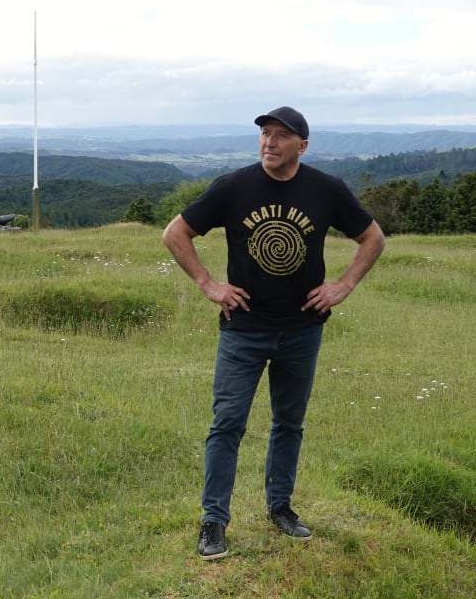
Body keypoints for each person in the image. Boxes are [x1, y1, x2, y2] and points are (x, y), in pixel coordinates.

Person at [162, 106, 385, 561]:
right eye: (265, 133)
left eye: (282, 135)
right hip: (244, 328)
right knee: (227, 424)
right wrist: (208, 284)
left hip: (302, 329)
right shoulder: (234, 187)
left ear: (303, 146)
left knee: (289, 423)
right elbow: (175, 233)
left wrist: (343, 285)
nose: (270, 142)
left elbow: (373, 238)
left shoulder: (326, 189)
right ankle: (213, 521)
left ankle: (279, 507)